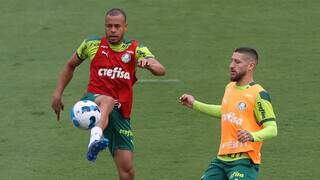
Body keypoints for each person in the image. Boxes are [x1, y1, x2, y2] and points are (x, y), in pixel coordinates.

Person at [51, 8, 165, 180]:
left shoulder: (135, 48)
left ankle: (98, 137)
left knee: (127, 171)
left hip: (120, 113)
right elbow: (70, 65)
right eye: (109, 26)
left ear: (125, 27)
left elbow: (161, 69)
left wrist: (148, 63)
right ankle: (95, 137)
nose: (112, 30)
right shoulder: (91, 44)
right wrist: (57, 94)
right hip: (93, 100)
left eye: (117, 26)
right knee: (108, 100)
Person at [180, 47, 277, 180]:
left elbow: (272, 128)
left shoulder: (258, 94)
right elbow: (226, 111)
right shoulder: (230, 88)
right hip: (221, 159)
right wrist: (195, 104)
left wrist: (252, 136)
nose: (231, 65)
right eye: (231, 61)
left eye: (237, 62)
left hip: (244, 161)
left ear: (250, 66)